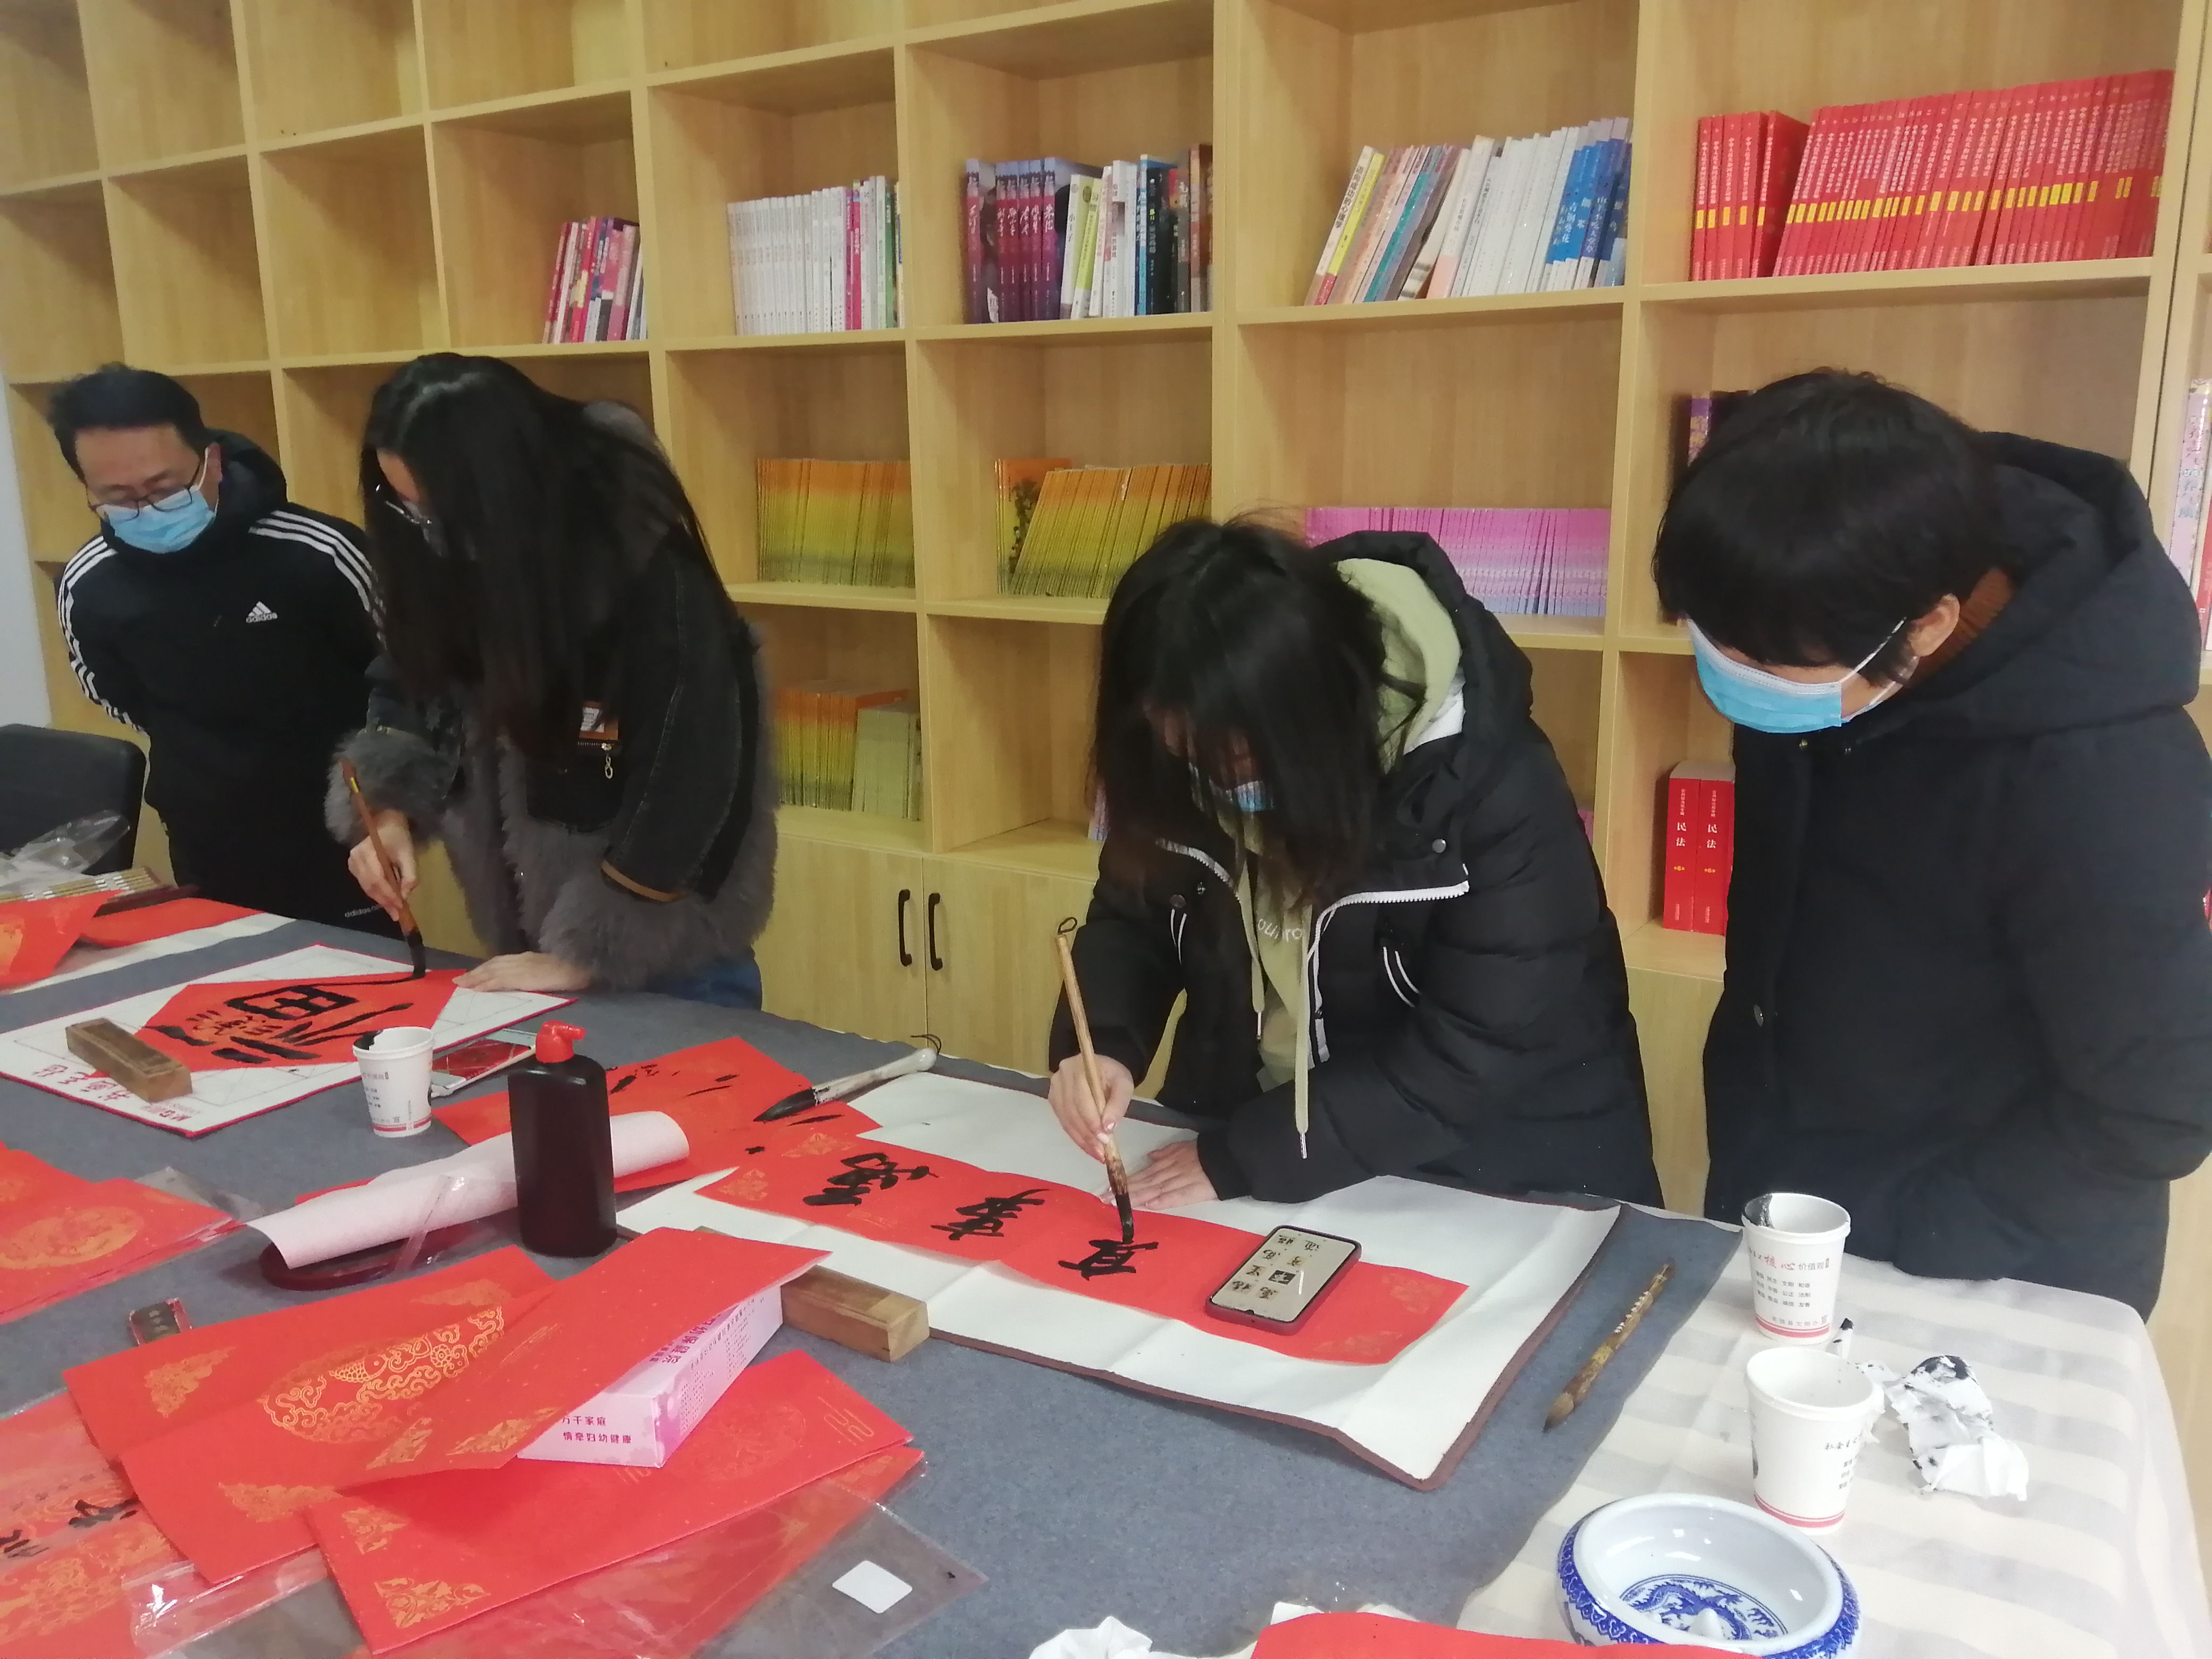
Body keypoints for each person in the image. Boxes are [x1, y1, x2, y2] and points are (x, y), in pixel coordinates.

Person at [1655, 369, 2212, 1316]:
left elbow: (2161, 1101)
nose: (1733, 673)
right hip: (1797, 1210)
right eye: (1715, 637)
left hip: (1995, 1266)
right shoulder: (1817, 625)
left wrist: (1930, 1228)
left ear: (1929, 624)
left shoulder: (2101, 775)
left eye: (1767, 661)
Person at [1046, 518, 1661, 1211]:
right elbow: (1135, 921)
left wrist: (1245, 1158)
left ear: (1317, 714)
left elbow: (1474, 1052)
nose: (1218, 782)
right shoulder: (1179, 757)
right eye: (1184, 750)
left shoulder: (1493, 789)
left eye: (1240, 759)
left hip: (1491, 1170)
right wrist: (1102, 1044)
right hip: (1261, 1140)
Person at [329, 354, 774, 1003]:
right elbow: (410, 686)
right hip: (530, 953)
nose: (430, 535)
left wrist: (590, 950)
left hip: (666, 959)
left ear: (503, 491)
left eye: (443, 514)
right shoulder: (453, 555)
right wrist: (388, 813)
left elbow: (691, 778)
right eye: (410, 511)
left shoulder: (648, 575)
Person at [49, 365, 392, 934]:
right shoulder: (89, 582)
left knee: (368, 978)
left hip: (338, 829)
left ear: (210, 460)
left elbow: (402, 674)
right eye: (118, 497)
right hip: (204, 829)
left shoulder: (319, 552)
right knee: (225, 977)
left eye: (163, 488)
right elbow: (111, 692)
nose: (146, 508)